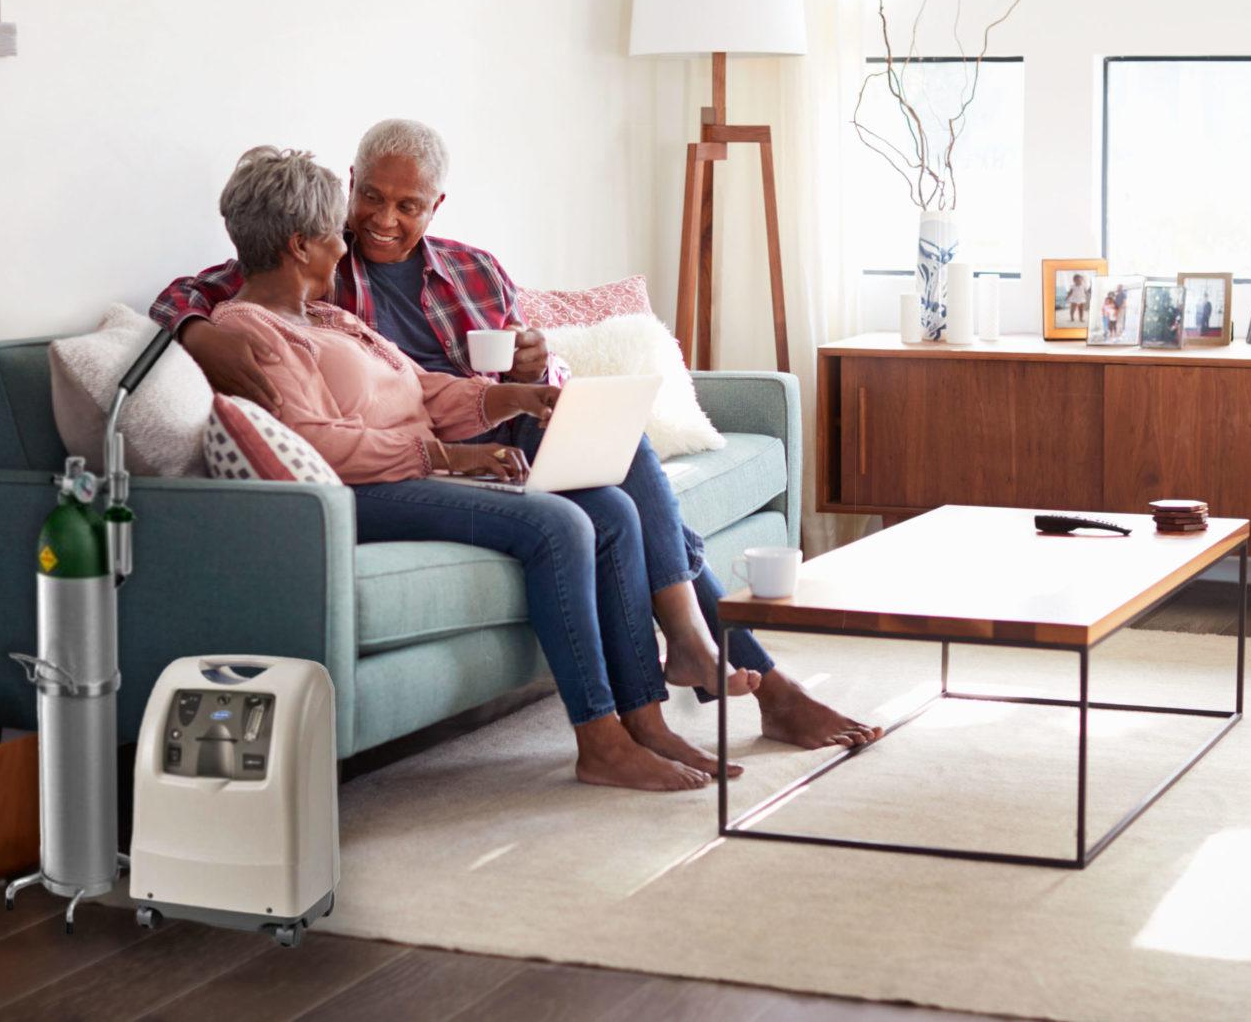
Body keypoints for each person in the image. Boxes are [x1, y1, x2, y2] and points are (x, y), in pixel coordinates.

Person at [153, 119, 881, 753]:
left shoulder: (472, 269)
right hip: (430, 443)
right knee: (606, 500)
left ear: (436, 205)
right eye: (370, 196)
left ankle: (695, 651)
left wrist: (540, 367)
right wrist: (193, 331)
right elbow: (211, 287)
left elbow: (509, 366)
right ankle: (730, 669)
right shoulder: (320, 266)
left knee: (614, 444)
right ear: (349, 188)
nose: (380, 219)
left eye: (407, 205)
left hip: (494, 416)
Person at [204, 145, 735, 791]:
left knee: (613, 510)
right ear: (299, 246)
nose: (345, 246)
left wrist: (512, 396)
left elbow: (424, 389)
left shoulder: (327, 317)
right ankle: (599, 740)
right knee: (558, 525)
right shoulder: (250, 333)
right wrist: (448, 455)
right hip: (366, 492)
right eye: (330, 235)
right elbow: (317, 439)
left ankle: (644, 719)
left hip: (410, 472)